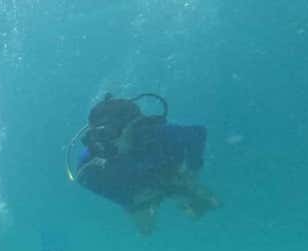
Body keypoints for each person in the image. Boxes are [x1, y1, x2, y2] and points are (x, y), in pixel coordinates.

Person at [68, 93, 221, 235]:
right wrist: (127, 199)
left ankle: (191, 200)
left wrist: (193, 171)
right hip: (136, 185)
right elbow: (83, 178)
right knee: (146, 230)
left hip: (169, 171)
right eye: (99, 135)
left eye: (109, 133)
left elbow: (198, 133)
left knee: (207, 202)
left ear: (132, 126)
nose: (105, 142)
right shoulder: (95, 152)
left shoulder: (156, 134)